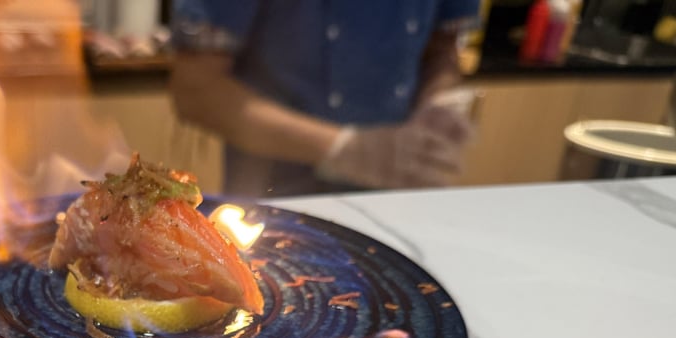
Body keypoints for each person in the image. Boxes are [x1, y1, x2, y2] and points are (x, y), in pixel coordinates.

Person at [169, 0, 482, 196]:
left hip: (397, 192)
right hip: (276, 197)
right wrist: (345, 150)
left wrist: (438, 102)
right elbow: (196, 90)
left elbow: (443, 50)